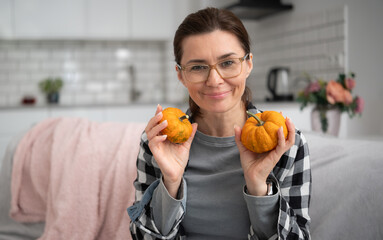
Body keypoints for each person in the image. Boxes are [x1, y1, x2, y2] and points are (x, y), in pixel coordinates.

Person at [127, 7, 311, 240]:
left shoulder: (286, 143)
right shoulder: (158, 141)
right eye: (197, 67)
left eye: (227, 63)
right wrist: (170, 183)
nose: (214, 80)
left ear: (248, 64)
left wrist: (259, 189)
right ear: (180, 74)